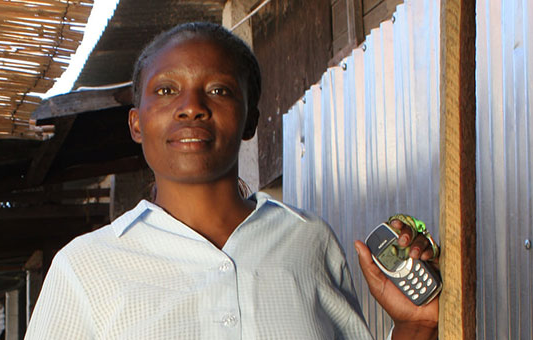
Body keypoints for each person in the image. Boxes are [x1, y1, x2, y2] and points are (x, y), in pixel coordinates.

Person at [25, 22, 438, 339]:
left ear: (250, 120)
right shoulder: (84, 268)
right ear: (136, 122)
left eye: (219, 90)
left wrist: (416, 327)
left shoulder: (308, 240)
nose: (191, 108)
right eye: (167, 90)